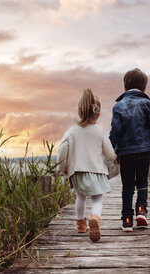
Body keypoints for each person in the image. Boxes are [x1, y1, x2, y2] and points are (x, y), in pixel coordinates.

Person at [57, 89, 117, 242]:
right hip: (96, 171)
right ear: (98, 113)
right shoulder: (99, 132)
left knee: (80, 197)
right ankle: (95, 218)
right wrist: (113, 158)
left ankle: (80, 225)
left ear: (79, 111)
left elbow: (62, 151)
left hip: (77, 172)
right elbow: (110, 155)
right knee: (97, 198)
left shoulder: (71, 131)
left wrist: (61, 168)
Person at [109, 68, 150, 232]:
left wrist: (112, 150)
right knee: (142, 182)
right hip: (145, 150)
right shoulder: (148, 104)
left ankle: (126, 220)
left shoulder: (118, 106)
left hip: (125, 152)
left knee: (127, 186)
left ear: (125, 87)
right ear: (144, 88)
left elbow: (115, 131)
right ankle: (141, 210)